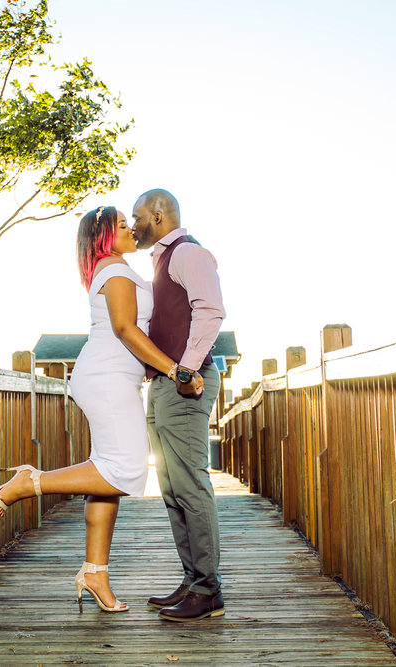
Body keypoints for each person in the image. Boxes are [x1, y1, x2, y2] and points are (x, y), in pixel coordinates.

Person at [0, 205, 189, 613]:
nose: (130, 229)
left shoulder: (115, 268)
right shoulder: (115, 272)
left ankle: (95, 571)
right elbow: (125, 329)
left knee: (108, 473)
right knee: (125, 469)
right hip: (107, 378)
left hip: (111, 378)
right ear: (103, 237)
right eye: (121, 225)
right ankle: (33, 482)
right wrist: (174, 370)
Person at [130, 188, 226, 622]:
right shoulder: (161, 260)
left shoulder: (189, 253)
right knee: (171, 488)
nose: (132, 227)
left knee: (190, 484)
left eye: (136, 217)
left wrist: (185, 372)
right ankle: (192, 581)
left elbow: (211, 311)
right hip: (166, 384)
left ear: (158, 214)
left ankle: (208, 592)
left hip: (187, 383)